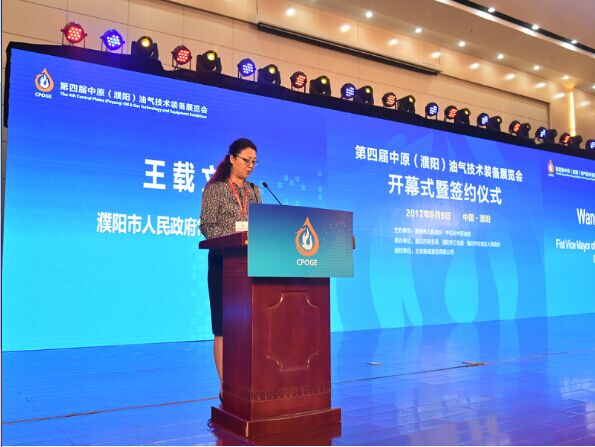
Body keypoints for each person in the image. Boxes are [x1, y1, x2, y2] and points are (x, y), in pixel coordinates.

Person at [199, 138, 262, 399]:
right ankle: (226, 387)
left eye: (254, 162)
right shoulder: (215, 189)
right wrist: (235, 236)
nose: (251, 166)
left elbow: (263, 226)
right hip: (223, 264)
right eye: (246, 160)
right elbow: (207, 226)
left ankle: (247, 382)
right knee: (223, 328)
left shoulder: (255, 191)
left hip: (252, 265)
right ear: (233, 158)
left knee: (249, 327)